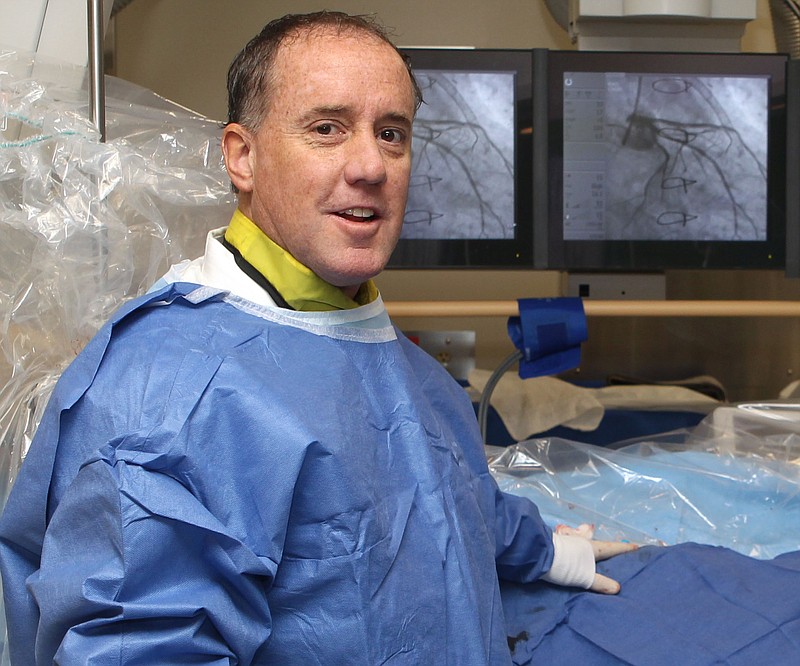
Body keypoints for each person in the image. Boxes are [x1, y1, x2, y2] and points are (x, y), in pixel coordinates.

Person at [0, 11, 635, 664]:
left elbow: (439, 503)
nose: (370, 165)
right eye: (327, 128)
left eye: (392, 133)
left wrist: (551, 551)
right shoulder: (170, 399)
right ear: (241, 156)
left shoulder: (388, 358)